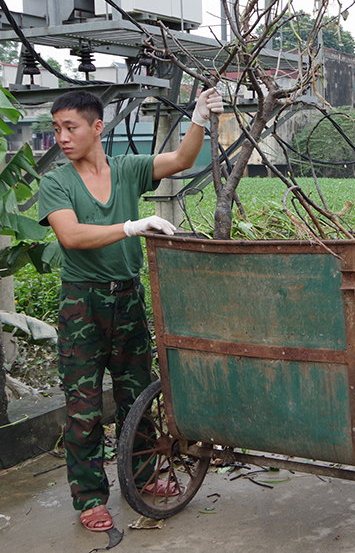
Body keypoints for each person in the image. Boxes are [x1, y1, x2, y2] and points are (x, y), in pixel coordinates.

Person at [38, 88, 223, 532]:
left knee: (136, 394)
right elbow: (72, 237)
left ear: (96, 127)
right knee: (83, 408)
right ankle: (89, 498)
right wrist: (131, 226)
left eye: (70, 127)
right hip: (83, 302)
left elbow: (180, 160)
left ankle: (141, 477)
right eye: (57, 128)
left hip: (128, 298)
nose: (61, 137)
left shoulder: (126, 170)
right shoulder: (57, 182)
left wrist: (197, 117)